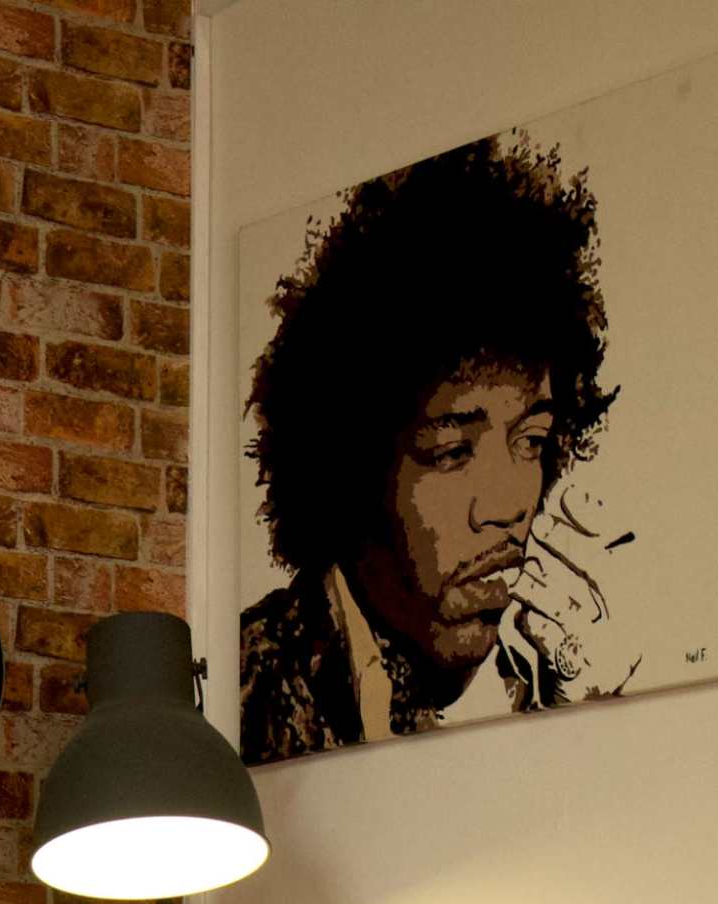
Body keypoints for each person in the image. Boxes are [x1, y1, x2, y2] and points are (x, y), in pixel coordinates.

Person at [237, 136, 621, 765]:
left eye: (530, 441)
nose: (505, 507)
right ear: (354, 474)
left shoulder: (543, 674)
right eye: (451, 452)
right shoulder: (245, 691)